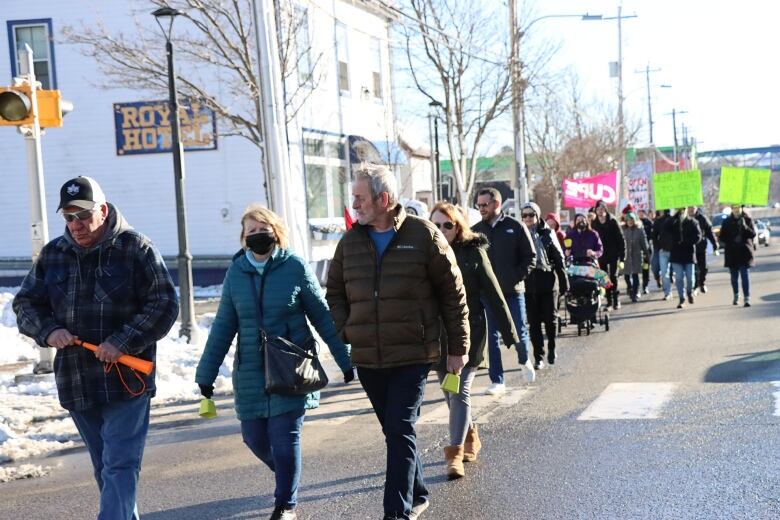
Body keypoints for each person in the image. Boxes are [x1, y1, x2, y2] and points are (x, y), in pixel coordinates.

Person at [13, 176, 179, 520]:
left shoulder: (137, 248)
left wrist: (122, 341)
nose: (76, 225)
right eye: (69, 217)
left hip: (126, 379)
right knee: (106, 469)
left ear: (102, 210)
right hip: (78, 382)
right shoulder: (53, 254)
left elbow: (164, 303)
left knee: (120, 466)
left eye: (84, 215)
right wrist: (49, 330)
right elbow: (25, 304)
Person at [326, 164, 469, 520]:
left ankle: (397, 512)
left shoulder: (423, 235)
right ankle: (418, 491)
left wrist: (457, 348)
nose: (354, 204)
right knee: (395, 432)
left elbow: (453, 295)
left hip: (413, 353)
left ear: (383, 199)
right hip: (369, 356)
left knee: (401, 427)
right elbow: (335, 292)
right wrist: (347, 329)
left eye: (359, 198)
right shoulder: (350, 242)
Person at [195, 205, 353, 520]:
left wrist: (344, 359)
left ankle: (286, 506)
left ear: (275, 231)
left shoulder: (294, 266)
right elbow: (224, 326)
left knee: (285, 439)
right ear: (243, 238)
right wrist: (206, 374)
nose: (257, 236)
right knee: (253, 438)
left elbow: (321, 315)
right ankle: (286, 475)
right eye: (250, 231)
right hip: (251, 373)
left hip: (291, 369)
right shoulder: (236, 272)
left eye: (262, 229)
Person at [429, 202, 518, 480]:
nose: (443, 230)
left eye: (448, 225)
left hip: (470, 331)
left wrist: (509, 332)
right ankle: (470, 434)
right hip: (437, 336)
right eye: (437, 225)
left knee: (460, 391)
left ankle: (454, 454)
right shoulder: (425, 254)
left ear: (458, 226)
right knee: (449, 390)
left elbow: (493, 292)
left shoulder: (473, 251)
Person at [471, 187, 537, 395]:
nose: (481, 208)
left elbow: (530, 257)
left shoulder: (515, 227)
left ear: (496, 204)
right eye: (478, 205)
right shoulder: (475, 231)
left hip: (512, 292)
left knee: (518, 331)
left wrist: (513, 278)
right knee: (491, 337)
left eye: (484, 205)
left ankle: (524, 358)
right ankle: (497, 380)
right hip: (488, 296)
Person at [521, 202, 568, 369]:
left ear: (537, 215)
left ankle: (552, 348)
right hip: (529, 285)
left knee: (550, 320)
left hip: (548, 282)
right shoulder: (520, 234)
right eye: (524, 215)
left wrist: (564, 283)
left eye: (531, 215)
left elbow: (559, 258)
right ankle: (538, 357)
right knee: (533, 323)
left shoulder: (548, 233)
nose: (528, 218)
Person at [590, 200, 626, 310]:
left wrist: (622, 257)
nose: (600, 212)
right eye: (598, 209)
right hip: (601, 254)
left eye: (602, 209)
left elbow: (621, 239)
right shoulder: (594, 223)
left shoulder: (612, 221)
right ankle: (609, 301)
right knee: (604, 278)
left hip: (613, 253)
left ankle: (616, 300)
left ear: (605, 210)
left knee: (613, 276)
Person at [718, 205, 756, 307]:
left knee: (745, 275)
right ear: (732, 209)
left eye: (738, 207)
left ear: (741, 208)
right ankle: (736, 294)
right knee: (734, 278)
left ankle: (747, 298)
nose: (736, 210)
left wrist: (745, 226)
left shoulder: (747, 219)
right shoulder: (727, 221)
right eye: (734, 208)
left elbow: (753, 234)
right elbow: (721, 237)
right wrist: (730, 241)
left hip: (744, 253)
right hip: (732, 253)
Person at [668, 208, 702, 309]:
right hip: (676, 254)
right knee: (679, 278)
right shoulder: (673, 222)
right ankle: (682, 298)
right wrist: (673, 216)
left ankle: (689, 292)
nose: (682, 211)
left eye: (684, 209)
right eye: (680, 210)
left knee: (690, 277)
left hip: (689, 254)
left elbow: (698, 236)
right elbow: (665, 228)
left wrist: (687, 241)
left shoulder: (693, 222)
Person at [689, 206, 719, 294]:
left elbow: (709, 231)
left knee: (703, 267)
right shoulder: (684, 219)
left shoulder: (702, 218)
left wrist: (714, 243)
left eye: (692, 208)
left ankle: (701, 282)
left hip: (700, 247)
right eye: (689, 208)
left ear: (696, 208)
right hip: (689, 249)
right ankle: (695, 286)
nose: (691, 210)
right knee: (694, 268)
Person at [622, 212, 650, 303]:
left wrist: (647, 253)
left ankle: (635, 293)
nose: (630, 221)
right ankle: (629, 288)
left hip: (637, 255)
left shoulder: (639, 230)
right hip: (626, 256)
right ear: (626, 221)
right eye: (628, 220)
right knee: (626, 275)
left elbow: (644, 243)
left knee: (635, 274)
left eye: (632, 220)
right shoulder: (623, 230)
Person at [651, 209, 675, 300]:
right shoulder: (658, 221)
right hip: (663, 251)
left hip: (674, 251)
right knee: (664, 272)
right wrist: (658, 246)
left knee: (677, 273)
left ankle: (683, 292)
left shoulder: (675, 220)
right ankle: (667, 292)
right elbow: (654, 236)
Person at [637, 209, 654, 294]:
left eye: (641, 213)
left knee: (645, 268)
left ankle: (645, 285)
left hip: (646, 251)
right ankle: (634, 287)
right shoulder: (634, 223)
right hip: (635, 251)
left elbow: (652, 235)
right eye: (638, 213)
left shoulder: (649, 223)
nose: (640, 214)